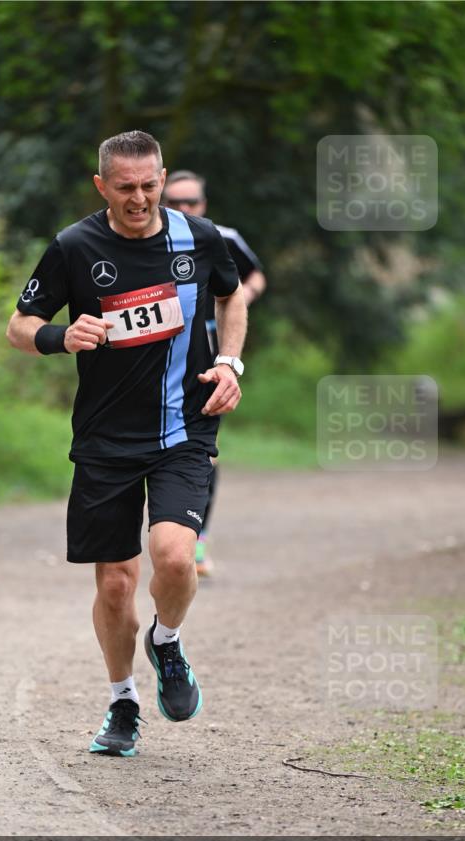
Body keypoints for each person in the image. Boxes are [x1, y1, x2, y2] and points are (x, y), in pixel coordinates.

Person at [6, 131, 247, 757]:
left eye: (149, 185)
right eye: (124, 188)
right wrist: (63, 336)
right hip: (105, 438)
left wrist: (230, 363)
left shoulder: (199, 237)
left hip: (182, 431)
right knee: (114, 585)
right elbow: (19, 325)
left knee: (174, 558)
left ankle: (166, 642)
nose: (138, 198)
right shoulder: (75, 246)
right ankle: (122, 703)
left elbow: (234, 293)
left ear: (162, 178)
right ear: (101, 186)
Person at [162, 170, 265, 575]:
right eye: (176, 203)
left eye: (192, 203)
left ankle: (195, 540)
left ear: (203, 206)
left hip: (208, 353)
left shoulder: (221, 237)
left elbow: (254, 274)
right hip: (158, 351)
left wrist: (241, 298)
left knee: (204, 451)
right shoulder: (150, 241)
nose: (184, 210)